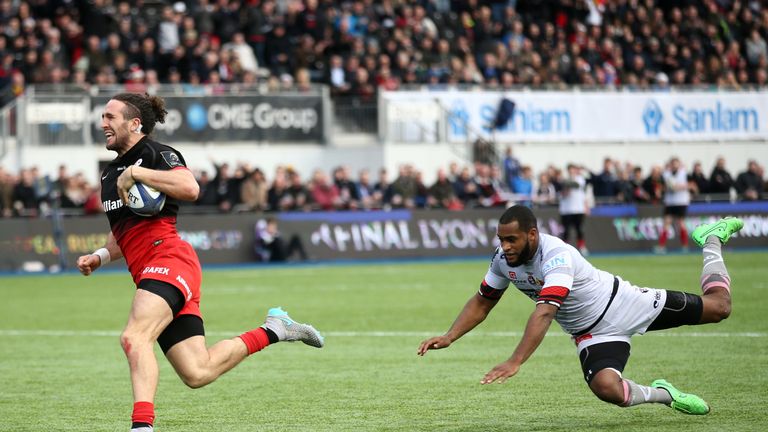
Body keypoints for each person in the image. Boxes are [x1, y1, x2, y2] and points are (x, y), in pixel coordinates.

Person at [76, 93, 324, 432]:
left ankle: (141, 427)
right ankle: (275, 329)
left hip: (169, 259)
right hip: (154, 271)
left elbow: (189, 187)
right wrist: (101, 256)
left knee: (134, 337)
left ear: (134, 124)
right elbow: (123, 230)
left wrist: (139, 173)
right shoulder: (109, 176)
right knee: (197, 371)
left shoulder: (156, 154)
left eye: (110, 117)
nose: (103, 123)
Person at [418, 205, 743, 416]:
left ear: (532, 234)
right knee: (607, 389)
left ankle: (711, 240)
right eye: (501, 240)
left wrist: (515, 360)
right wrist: (450, 336)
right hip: (590, 333)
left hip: (625, 304)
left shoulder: (557, 255)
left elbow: (544, 312)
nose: (505, 247)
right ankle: (666, 395)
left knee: (720, 308)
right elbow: (483, 300)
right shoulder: (503, 259)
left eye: (512, 240)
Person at [656, 157, 690, 253]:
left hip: (681, 201)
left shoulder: (684, 173)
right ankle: (661, 246)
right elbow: (661, 187)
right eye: (673, 164)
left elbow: (690, 184)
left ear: (679, 164)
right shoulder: (666, 174)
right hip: (670, 202)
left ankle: (685, 246)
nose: (674, 166)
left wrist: (678, 186)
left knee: (681, 223)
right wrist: (667, 188)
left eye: (676, 164)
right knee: (666, 223)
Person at [558, 163, 590, 255]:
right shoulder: (564, 180)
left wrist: (586, 207)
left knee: (579, 229)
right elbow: (562, 193)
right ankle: (564, 248)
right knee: (566, 230)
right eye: (570, 170)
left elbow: (578, 187)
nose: (572, 171)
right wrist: (565, 189)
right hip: (566, 210)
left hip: (578, 209)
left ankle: (581, 247)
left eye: (573, 169)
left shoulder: (580, 179)